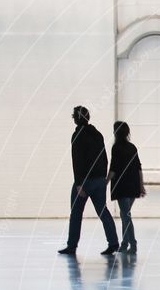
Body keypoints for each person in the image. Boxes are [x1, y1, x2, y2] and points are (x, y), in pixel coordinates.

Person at [58, 106, 120, 256]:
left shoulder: (77, 135)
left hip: (84, 181)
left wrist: (79, 183)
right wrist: (103, 178)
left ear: (76, 119)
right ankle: (113, 243)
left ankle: (71, 246)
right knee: (103, 211)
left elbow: (77, 160)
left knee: (76, 213)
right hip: (99, 180)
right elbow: (104, 158)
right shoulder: (97, 134)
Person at [108, 121, 146, 254]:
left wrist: (106, 182)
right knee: (125, 215)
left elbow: (113, 168)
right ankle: (124, 244)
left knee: (126, 215)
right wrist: (141, 186)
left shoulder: (116, 148)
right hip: (133, 185)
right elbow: (138, 167)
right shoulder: (132, 147)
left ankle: (133, 245)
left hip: (122, 186)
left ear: (116, 132)